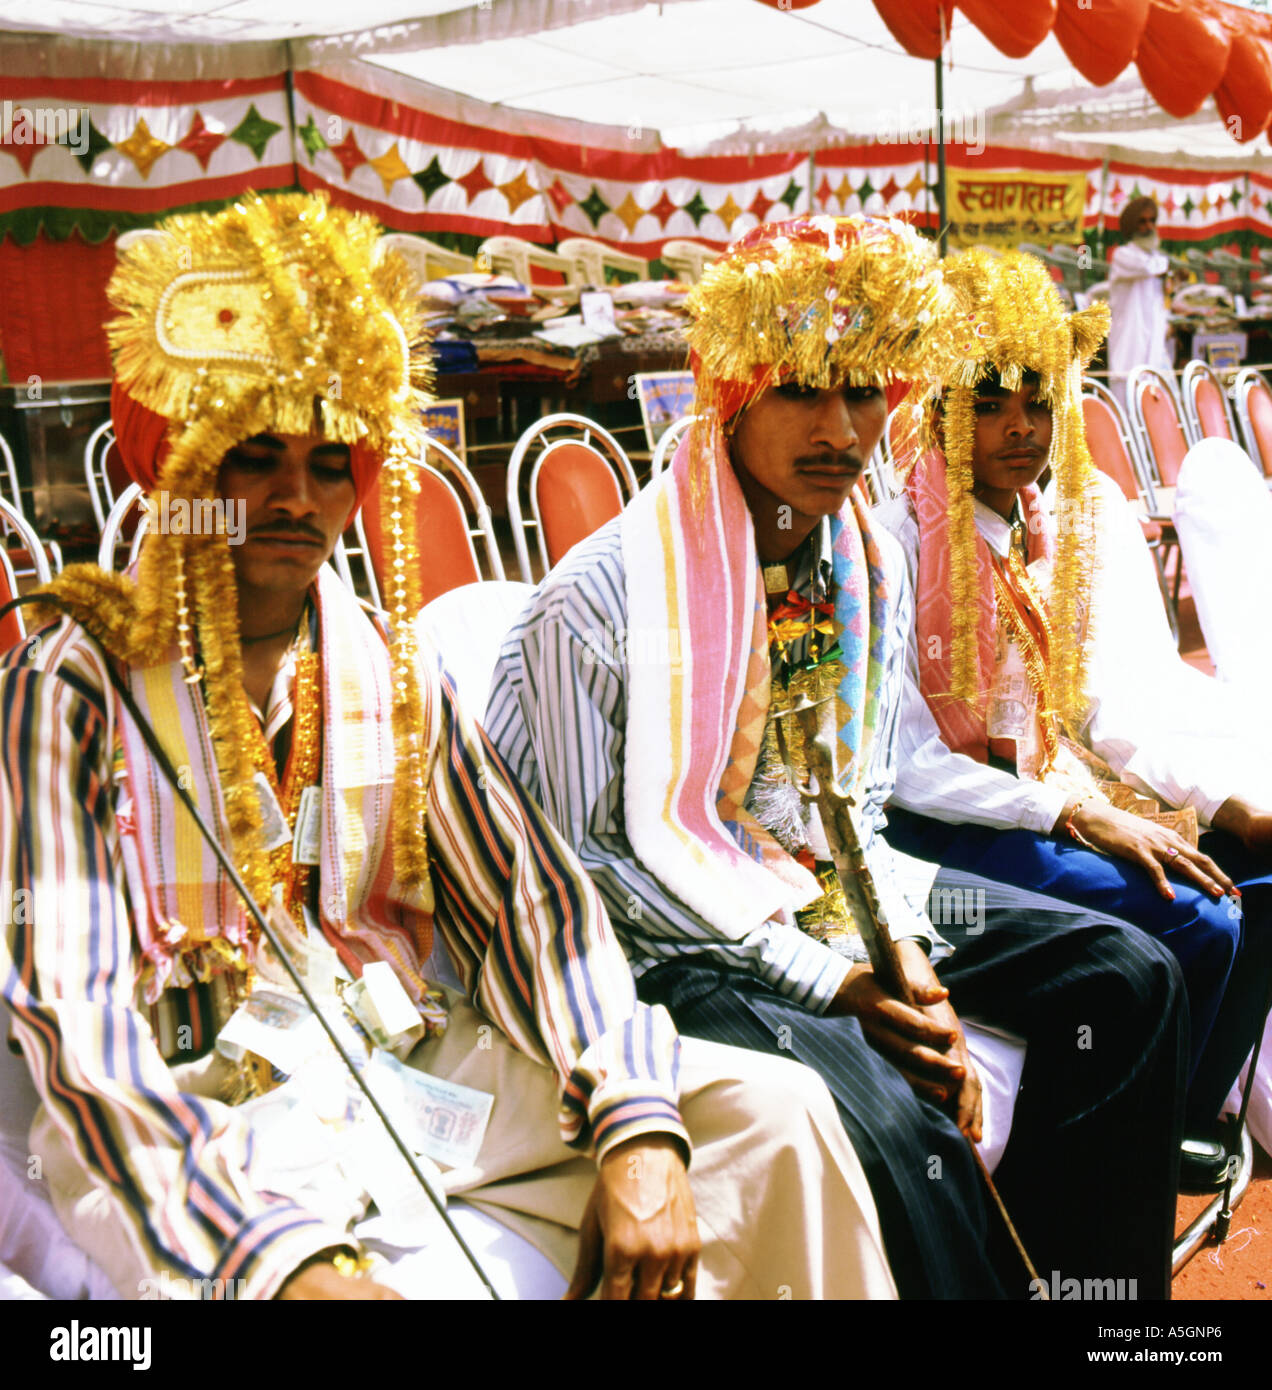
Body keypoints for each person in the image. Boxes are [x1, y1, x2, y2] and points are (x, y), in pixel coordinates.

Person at [0, 193, 896, 1302]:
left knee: (773, 1120)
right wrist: (281, 1266)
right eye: (255, 457)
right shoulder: (72, 689)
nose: (297, 498)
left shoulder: (380, 663)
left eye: (333, 462)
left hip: (403, 1069)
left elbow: (534, 904)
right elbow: (82, 1039)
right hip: (199, 1119)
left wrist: (631, 1114)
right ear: (180, 467)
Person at [487, 215, 1189, 1299]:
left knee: (1127, 972)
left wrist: (902, 942)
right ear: (735, 391)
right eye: (805, 389)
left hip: (844, 891)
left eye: (866, 392)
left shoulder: (863, 558)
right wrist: (846, 981)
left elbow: (858, 802)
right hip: (677, 946)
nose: (842, 429)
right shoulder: (599, 600)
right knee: (892, 1114)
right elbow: (599, 879)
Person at [875, 246, 1272, 1179]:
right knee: (1201, 923)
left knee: (1255, 886)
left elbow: (1095, 708)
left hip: (1035, 808)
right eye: (991, 401)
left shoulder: (1032, 531)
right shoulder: (898, 548)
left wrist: (1221, 805)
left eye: (1038, 402)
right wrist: (1070, 812)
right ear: (941, 408)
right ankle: (1121, 1143)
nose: (1021, 428)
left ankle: (1169, 1116)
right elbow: (904, 765)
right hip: (937, 839)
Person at [1107, 195, 1174, 404]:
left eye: (1152, 220)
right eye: (1142, 221)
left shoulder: (1156, 258)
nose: (1149, 226)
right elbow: (1147, 267)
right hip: (1129, 343)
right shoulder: (1123, 255)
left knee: (1158, 407)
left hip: (1153, 344)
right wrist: (1167, 267)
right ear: (1132, 225)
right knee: (1126, 407)